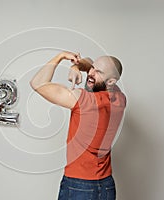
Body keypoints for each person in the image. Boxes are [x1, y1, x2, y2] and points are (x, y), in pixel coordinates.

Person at [30, 51, 126, 200]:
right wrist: (76, 67)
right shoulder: (120, 98)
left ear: (111, 81)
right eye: (92, 68)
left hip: (79, 185)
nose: (91, 73)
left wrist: (60, 56)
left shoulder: (83, 100)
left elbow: (38, 83)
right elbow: (91, 66)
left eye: (97, 71)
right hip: (106, 186)